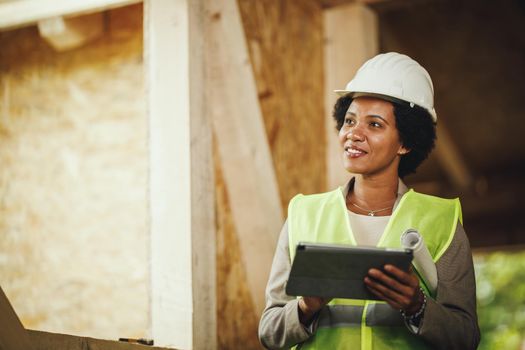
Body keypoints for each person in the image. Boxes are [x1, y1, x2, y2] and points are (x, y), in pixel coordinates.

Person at [258, 52, 480, 349]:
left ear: (406, 142)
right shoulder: (303, 214)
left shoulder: (443, 221)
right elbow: (269, 332)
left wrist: (418, 306)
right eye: (349, 121)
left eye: (374, 125)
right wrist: (305, 307)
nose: (353, 134)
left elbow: (465, 337)